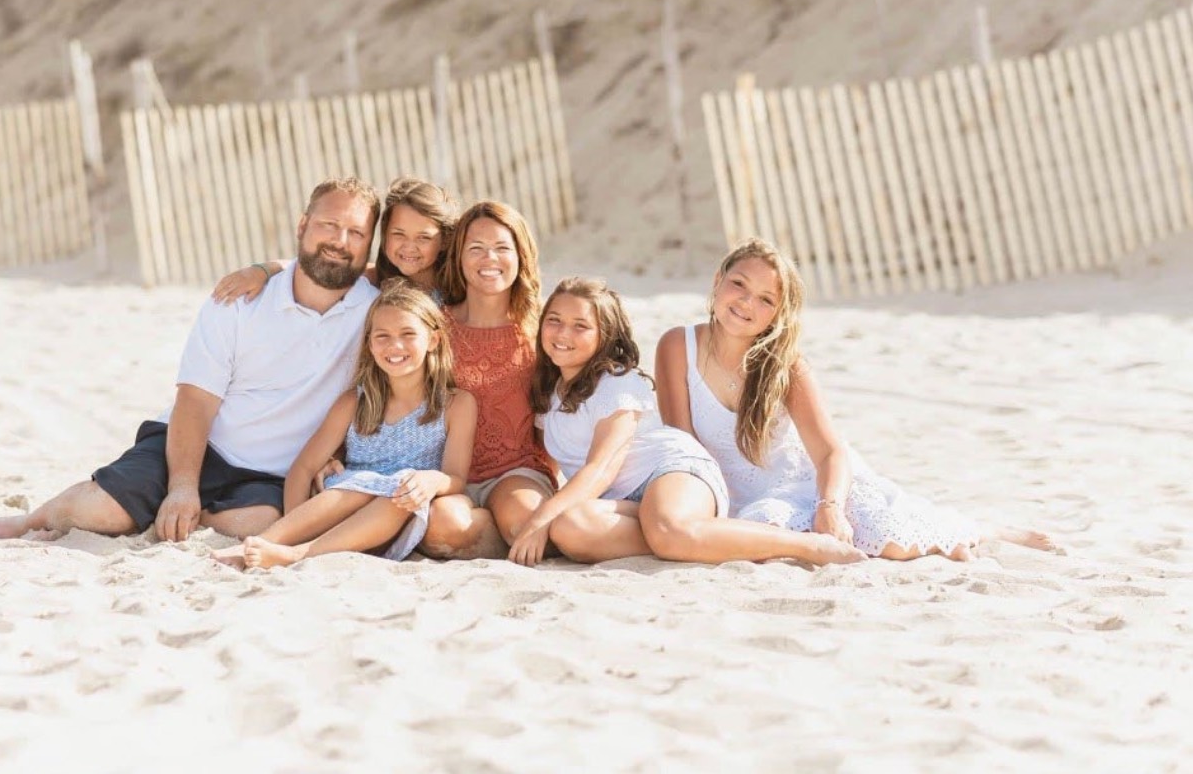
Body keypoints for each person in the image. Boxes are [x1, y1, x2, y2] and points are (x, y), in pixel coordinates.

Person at [0, 178, 382, 543]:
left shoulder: (376, 311)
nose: (340, 241)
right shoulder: (239, 300)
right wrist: (183, 485)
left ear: (368, 246)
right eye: (329, 225)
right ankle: (24, 522)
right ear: (303, 225)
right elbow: (195, 399)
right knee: (99, 513)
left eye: (356, 233)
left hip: (272, 473)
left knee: (260, 525)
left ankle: (172, 514)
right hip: (196, 444)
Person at [654, 238, 1057, 560]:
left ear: (778, 314)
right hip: (725, 494)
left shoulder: (786, 365)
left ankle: (990, 530)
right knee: (766, 535)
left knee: (895, 542)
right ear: (718, 280)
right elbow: (682, 445)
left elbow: (830, 452)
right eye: (739, 284)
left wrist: (828, 505)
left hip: (805, 483)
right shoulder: (678, 346)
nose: (745, 303)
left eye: (765, 299)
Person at [507, 278, 866, 566]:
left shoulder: (616, 383)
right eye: (554, 321)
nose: (563, 334)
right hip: (625, 500)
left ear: (605, 336)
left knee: (666, 529)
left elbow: (601, 468)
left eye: (580, 325)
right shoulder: (549, 390)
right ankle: (693, 539)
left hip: (673, 471)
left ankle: (807, 547)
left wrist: (539, 520)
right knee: (573, 529)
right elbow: (553, 462)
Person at [216, 281, 476, 569]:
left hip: (396, 518)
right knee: (365, 487)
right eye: (382, 336)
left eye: (408, 334)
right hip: (341, 509)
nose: (395, 346)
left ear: (434, 341)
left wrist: (432, 480)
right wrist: (297, 522)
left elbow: (456, 477)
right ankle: (265, 543)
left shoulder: (456, 405)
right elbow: (302, 470)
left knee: (399, 490)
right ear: (369, 344)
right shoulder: (353, 402)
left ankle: (298, 556)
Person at [419, 201, 558, 560]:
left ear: (520, 255)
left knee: (523, 522)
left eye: (501, 248)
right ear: (459, 258)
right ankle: (508, 539)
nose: (488, 259)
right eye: (476, 249)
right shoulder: (434, 325)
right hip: (449, 474)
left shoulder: (542, 328)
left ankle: (518, 532)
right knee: (441, 529)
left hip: (517, 472)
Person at [211, 177, 460, 304]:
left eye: (424, 238)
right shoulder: (379, 278)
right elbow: (311, 268)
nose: (409, 246)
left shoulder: (458, 285)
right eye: (398, 234)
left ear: (446, 239)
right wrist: (263, 270)